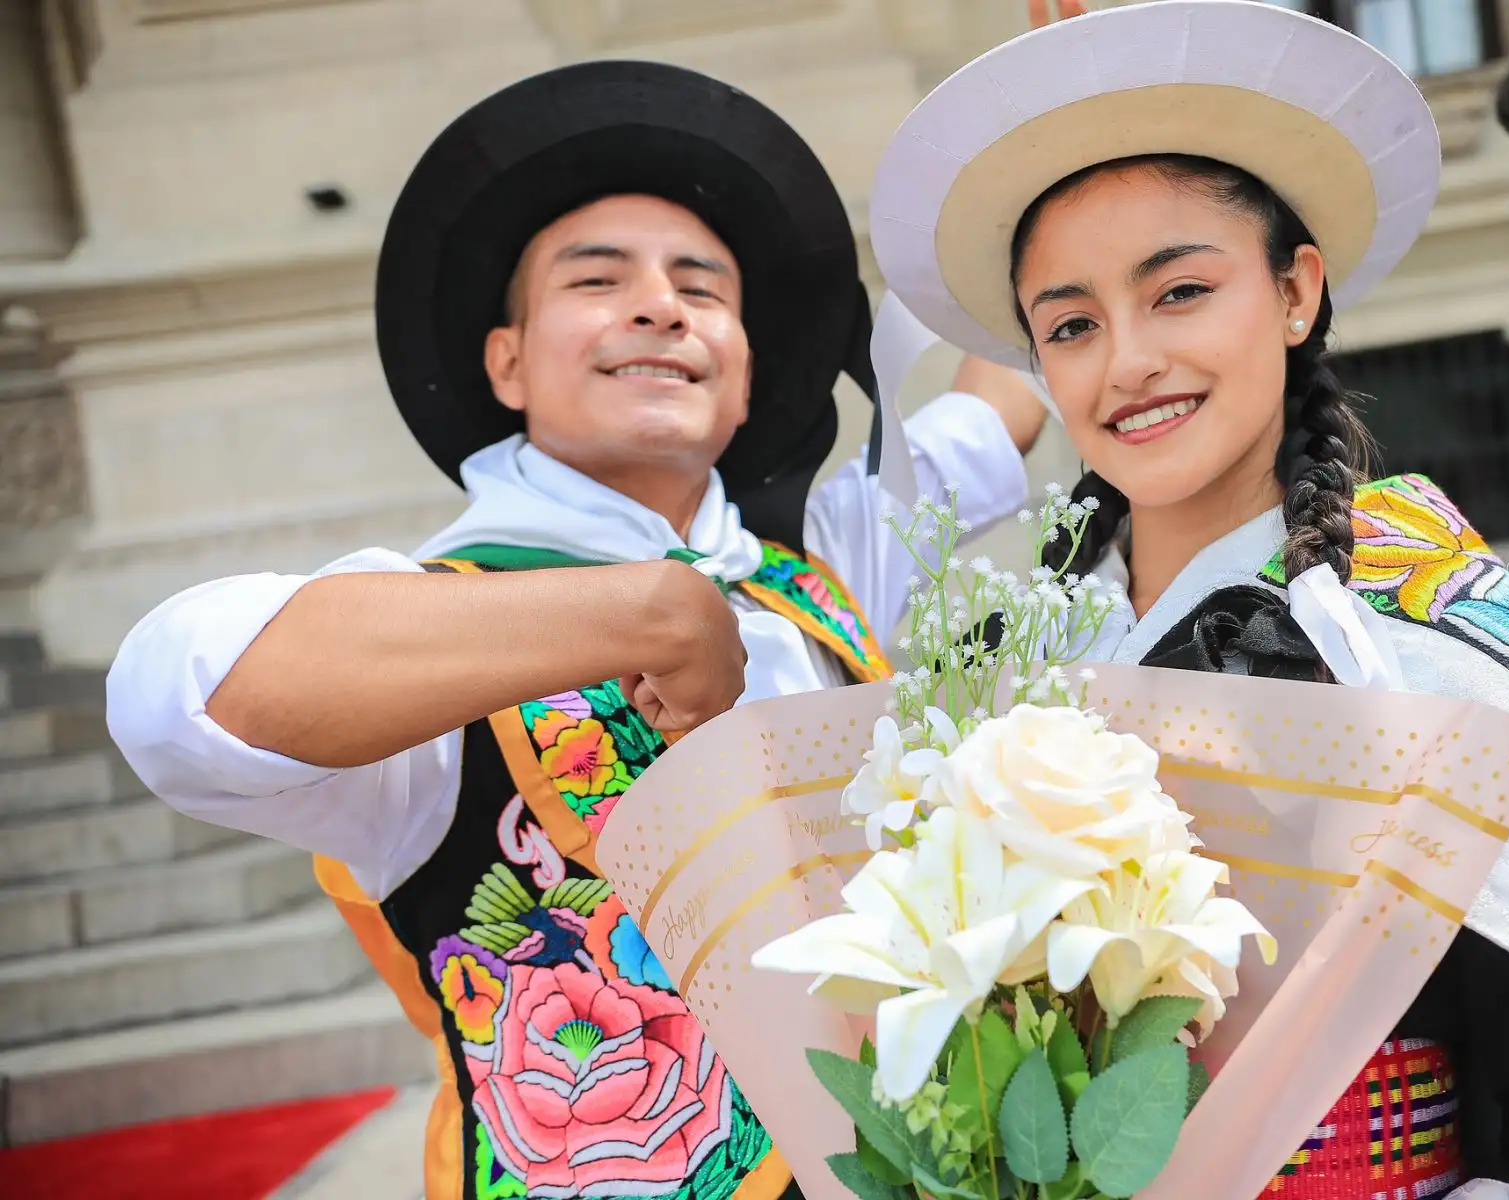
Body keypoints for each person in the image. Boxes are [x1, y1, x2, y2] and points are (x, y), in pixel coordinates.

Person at [864, 2, 1509, 1197]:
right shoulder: (996, 670)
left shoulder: (1418, 628)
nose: (1129, 360)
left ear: (1296, 292)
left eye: (1181, 292)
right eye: (1074, 325)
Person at [105, 61, 1046, 1200]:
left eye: (704, 289)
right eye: (598, 281)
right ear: (506, 360)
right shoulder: (435, 624)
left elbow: (1007, 401)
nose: (661, 305)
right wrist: (635, 608)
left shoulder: (822, 569)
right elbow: (175, 698)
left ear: (746, 377)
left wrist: (1047, 135)